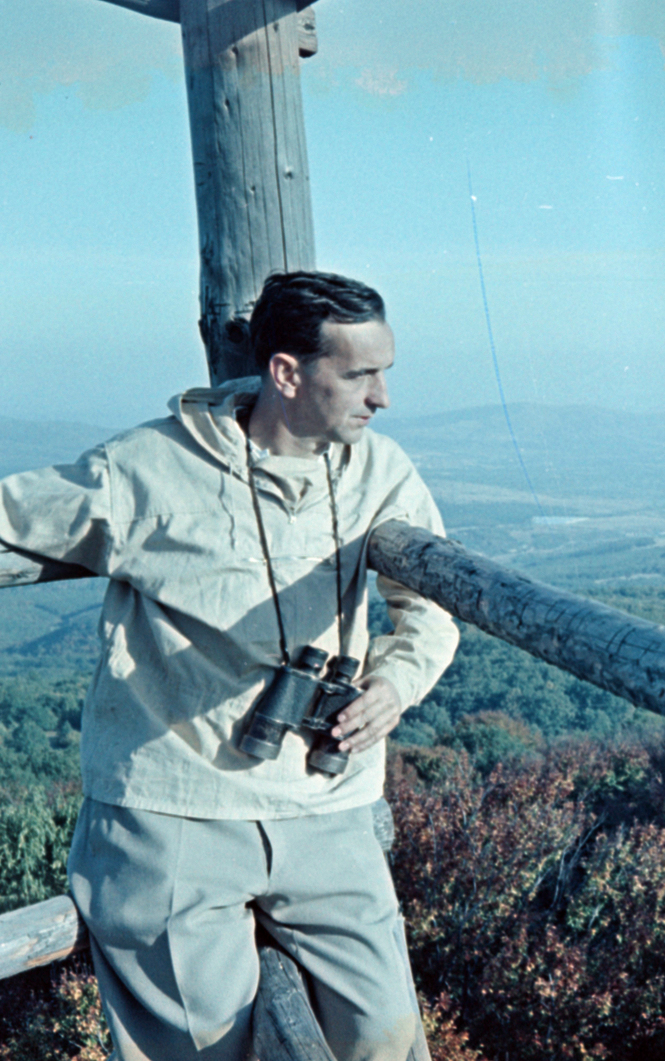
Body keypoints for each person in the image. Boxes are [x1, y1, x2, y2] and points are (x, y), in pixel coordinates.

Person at [0, 271, 460, 1061]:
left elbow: (431, 606)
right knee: (192, 1051)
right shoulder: (148, 467)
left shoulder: (379, 469)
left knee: (388, 1042)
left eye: (385, 371)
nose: (383, 397)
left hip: (330, 804)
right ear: (286, 373)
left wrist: (393, 683)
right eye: (361, 374)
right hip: (171, 811)